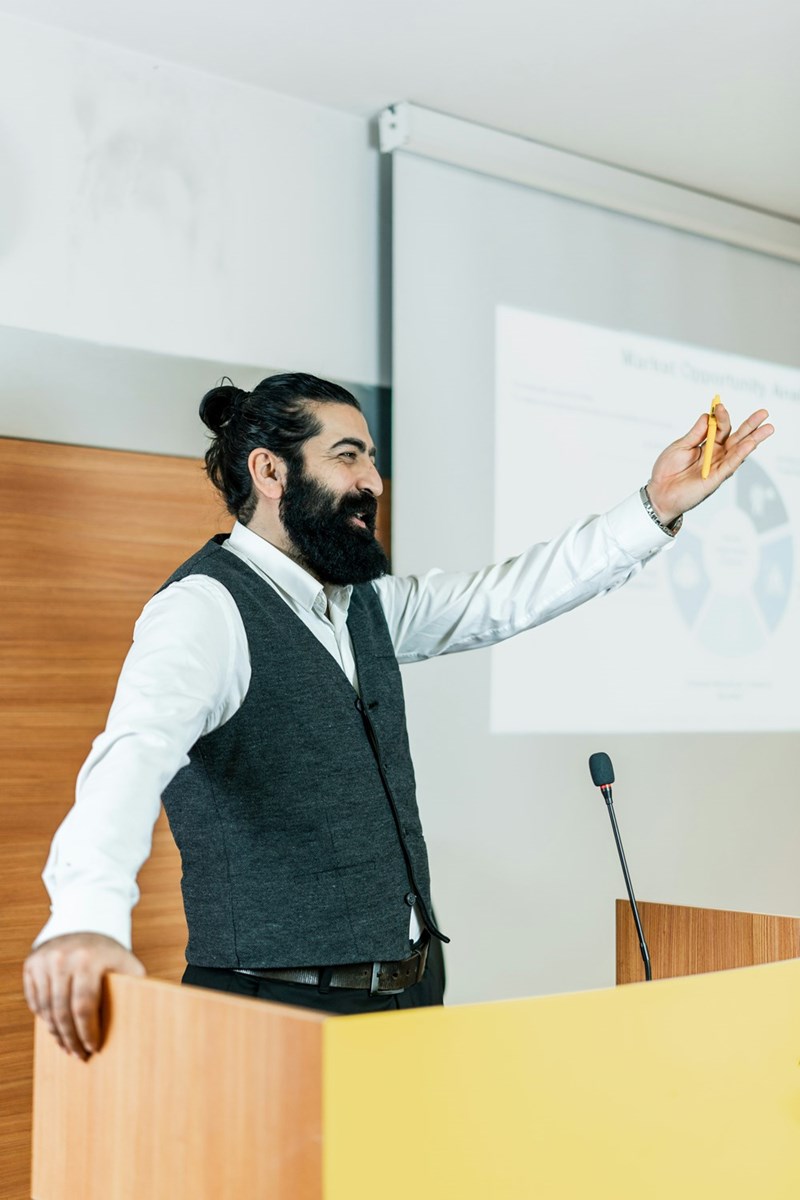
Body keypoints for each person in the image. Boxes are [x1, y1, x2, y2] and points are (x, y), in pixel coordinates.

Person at [23, 372, 773, 1057]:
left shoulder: (363, 607)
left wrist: (654, 510)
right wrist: (85, 918)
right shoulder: (204, 610)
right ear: (270, 471)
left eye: (372, 459)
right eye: (348, 456)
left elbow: (507, 596)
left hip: (410, 995)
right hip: (276, 1015)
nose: (373, 481)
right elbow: (131, 753)